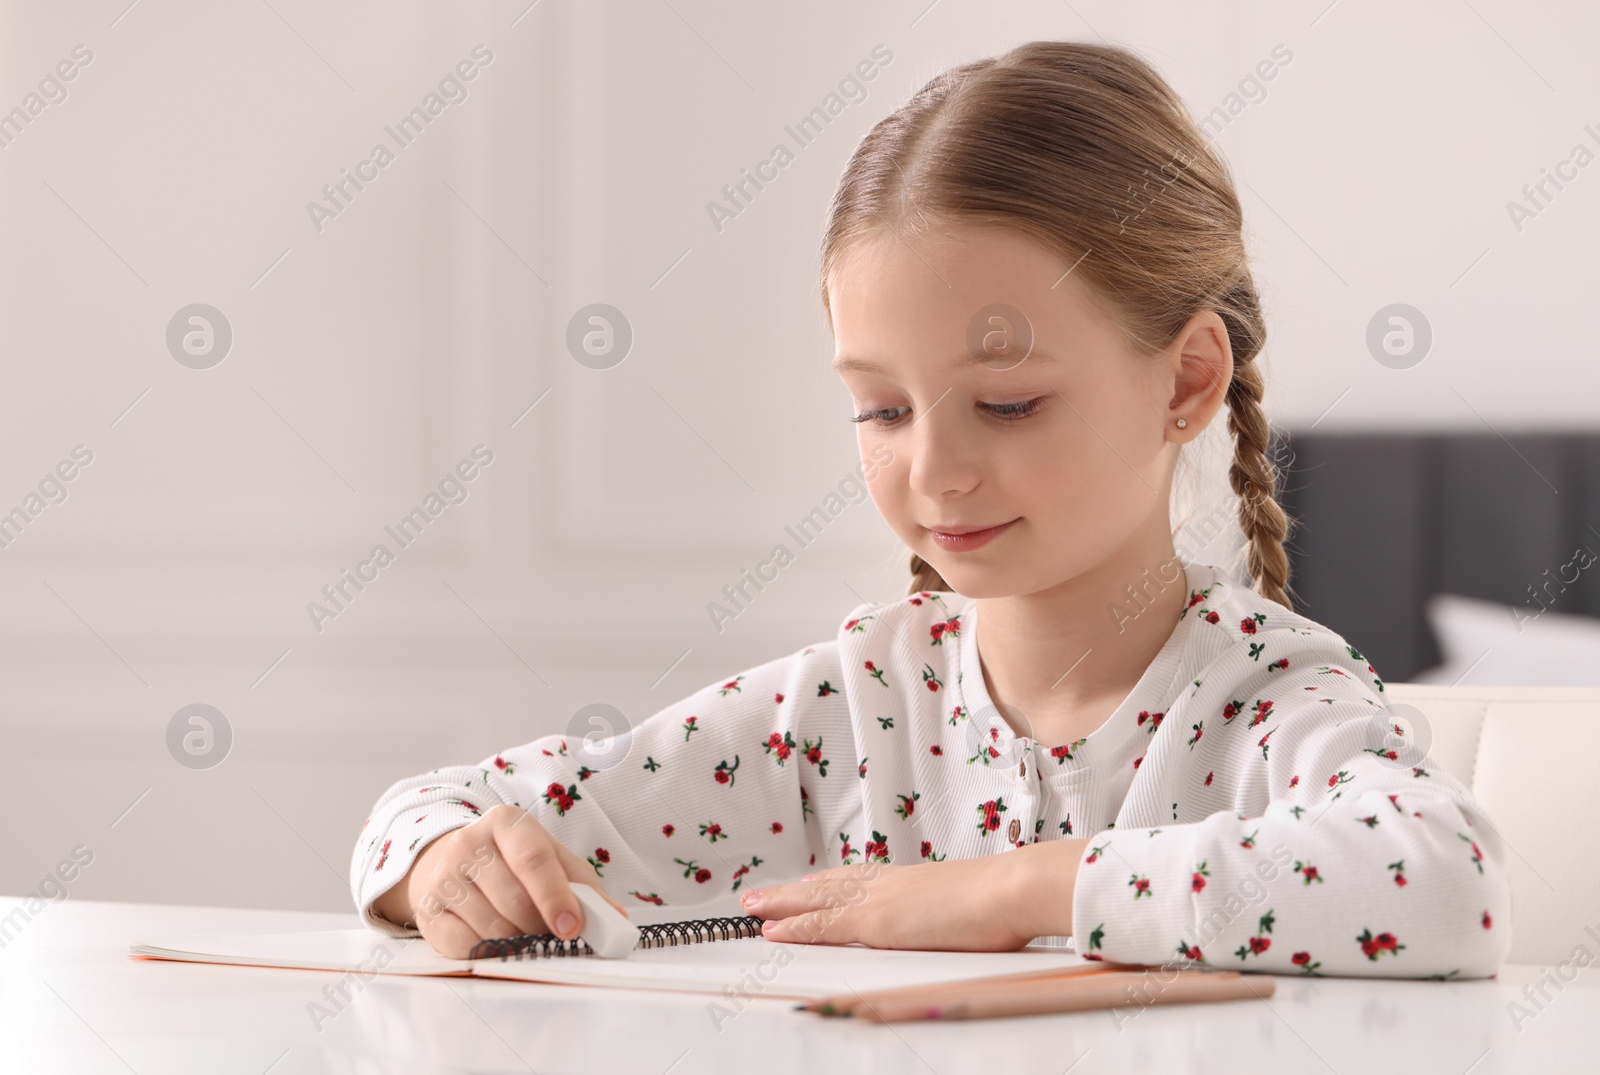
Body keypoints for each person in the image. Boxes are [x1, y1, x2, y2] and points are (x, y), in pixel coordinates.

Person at [350, 40, 1510, 978]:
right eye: (883, 409)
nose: (936, 470)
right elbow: (433, 808)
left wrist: (1010, 888)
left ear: (1187, 380)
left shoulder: (1268, 702)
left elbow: (1441, 880)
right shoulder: (845, 711)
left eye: (1006, 404)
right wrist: (445, 864)